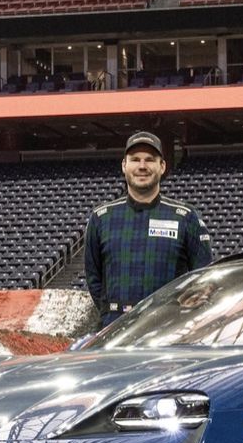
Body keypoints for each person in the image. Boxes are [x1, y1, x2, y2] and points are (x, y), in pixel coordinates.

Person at [83, 131, 212, 327]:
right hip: (115, 329)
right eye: (135, 159)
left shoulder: (185, 217)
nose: (142, 166)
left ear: (162, 166)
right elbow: (94, 279)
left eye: (150, 160)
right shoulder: (101, 218)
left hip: (168, 329)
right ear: (124, 165)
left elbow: (203, 276)